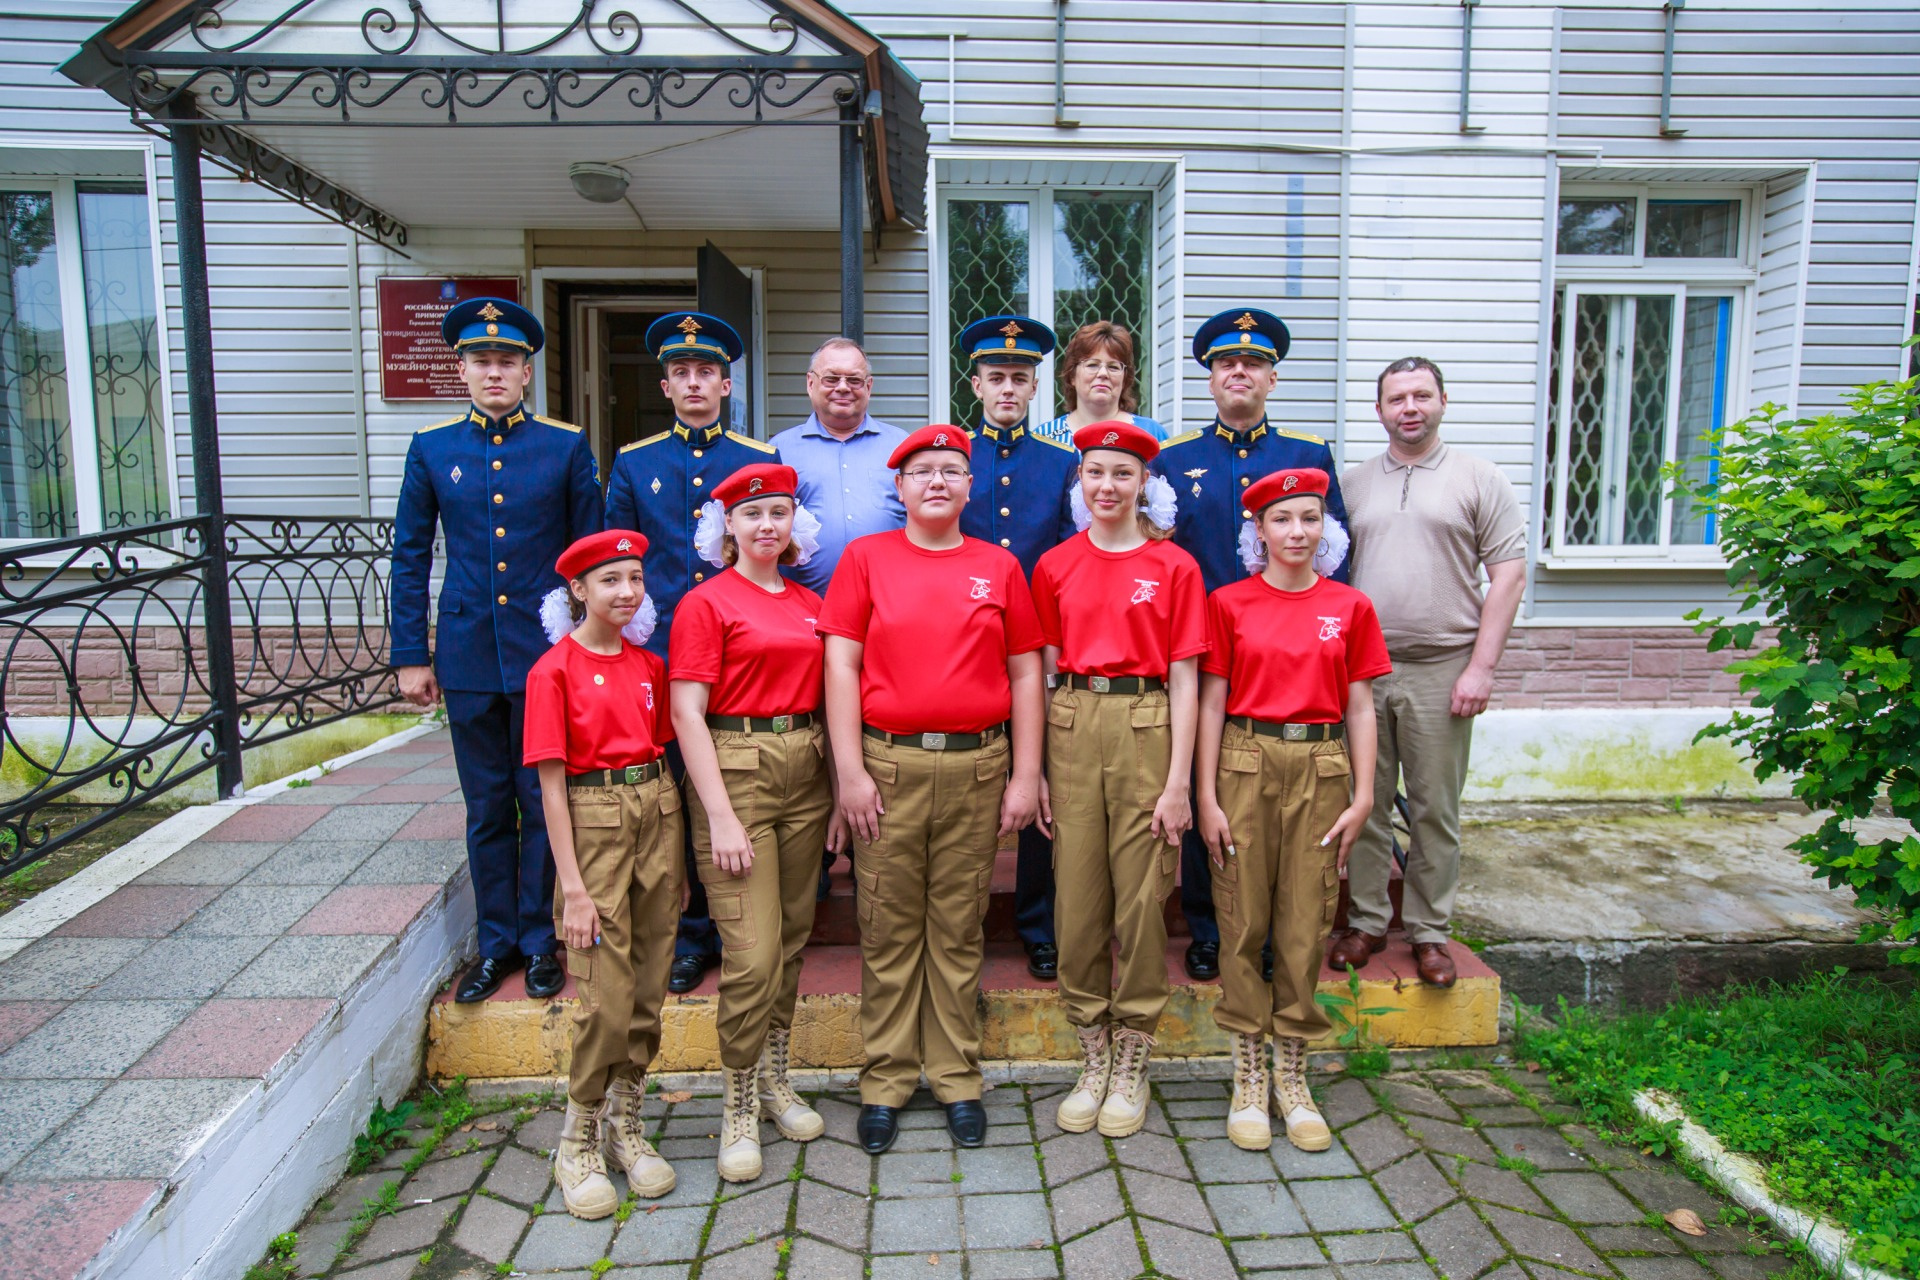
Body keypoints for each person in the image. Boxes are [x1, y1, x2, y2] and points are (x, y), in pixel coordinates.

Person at [818, 425, 1045, 1155]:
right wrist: (849, 772)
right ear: (901, 487)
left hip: (977, 768)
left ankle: (955, 1076)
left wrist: (1026, 773)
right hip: (888, 770)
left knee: (956, 927)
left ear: (970, 486)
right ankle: (885, 1080)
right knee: (887, 928)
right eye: (922, 472)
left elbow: (1025, 672)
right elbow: (841, 666)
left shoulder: (998, 566)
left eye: (951, 470)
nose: (937, 481)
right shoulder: (866, 559)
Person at [389, 296, 601, 1004]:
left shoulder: (564, 446)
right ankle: (496, 945)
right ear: (462, 370)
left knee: (541, 800)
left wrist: (590, 648)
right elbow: (409, 555)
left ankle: (540, 943)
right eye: (481, 361)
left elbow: (588, 557)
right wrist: (409, 653)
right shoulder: (433, 448)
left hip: (543, 651)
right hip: (469, 651)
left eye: (507, 361)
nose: (494, 372)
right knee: (486, 807)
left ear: (527, 372)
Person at [1196, 468, 1388, 1153]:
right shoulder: (1229, 603)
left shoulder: (1350, 607)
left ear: (1326, 527)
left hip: (1321, 764)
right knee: (1242, 917)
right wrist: (1204, 794)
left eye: (1309, 518)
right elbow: (1211, 703)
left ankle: (1292, 1072)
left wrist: (1364, 794)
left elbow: (1360, 706)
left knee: (1306, 919)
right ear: (1259, 530)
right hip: (1245, 761)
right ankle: (1249, 1070)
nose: (1296, 532)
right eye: (1281, 519)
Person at [1162, 307, 1351, 983]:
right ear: (1210, 378)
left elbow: (1336, 553)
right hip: (1203, 649)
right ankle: (1209, 927)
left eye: (1253, 363)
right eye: (1226, 363)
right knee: (1205, 780)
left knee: (1278, 800)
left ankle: (1272, 931)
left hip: (1288, 654)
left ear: (1272, 378)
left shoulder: (1307, 455)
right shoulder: (1175, 458)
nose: (1238, 372)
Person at [1029, 421, 1205, 1138]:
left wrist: (1179, 781)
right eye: (1096, 472)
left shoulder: (1175, 566)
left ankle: (1133, 1052)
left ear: (1143, 484)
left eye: (1122, 474)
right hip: (1073, 720)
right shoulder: (1055, 564)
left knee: (1140, 899)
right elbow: (1041, 671)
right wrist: (1038, 767)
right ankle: (1092, 1050)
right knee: (1077, 899)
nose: (1108, 486)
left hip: (1146, 722)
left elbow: (1187, 679)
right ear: (1081, 480)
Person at [1329, 357, 1525, 988]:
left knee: (1434, 807)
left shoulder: (1479, 479)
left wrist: (1481, 668)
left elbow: (1509, 574)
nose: (1409, 408)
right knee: (1364, 802)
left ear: (1443, 401)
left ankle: (1429, 931)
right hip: (1363, 671)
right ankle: (1366, 921)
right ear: (1378, 410)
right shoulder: (1352, 485)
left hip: (1443, 667)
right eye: (1396, 398)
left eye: (1421, 395)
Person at [604, 311, 780, 996]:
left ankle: (729, 922)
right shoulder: (635, 462)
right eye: (682, 372)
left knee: (728, 784)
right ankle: (685, 932)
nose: (695, 382)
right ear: (666, 385)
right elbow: (617, 562)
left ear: (726, 384)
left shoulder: (757, 459)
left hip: (739, 653)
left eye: (707, 371)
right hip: (657, 653)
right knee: (671, 791)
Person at [669, 463, 834, 1183]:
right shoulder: (706, 603)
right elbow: (686, 713)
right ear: (727, 526)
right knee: (752, 952)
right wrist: (720, 817)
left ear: (795, 522)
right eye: (752, 514)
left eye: (779, 512)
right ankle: (737, 1101)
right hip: (737, 774)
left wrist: (837, 795)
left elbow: (828, 697)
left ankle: (775, 1079)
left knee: (791, 940)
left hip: (806, 771)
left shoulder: (809, 602)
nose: (768, 525)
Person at [522, 529, 680, 1219]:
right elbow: (550, 789)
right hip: (592, 822)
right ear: (578, 590)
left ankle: (625, 1124)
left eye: (635, 578)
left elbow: (662, 752)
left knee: (647, 989)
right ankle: (576, 1139)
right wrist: (574, 890)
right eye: (610, 580)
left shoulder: (649, 665)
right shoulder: (553, 670)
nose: (626, 591)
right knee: (604, 999)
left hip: (656, 813)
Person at [955, 313, 1078, 982]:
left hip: (1036, 648)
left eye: (1019, 378)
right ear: (975, 385)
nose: (1007, 388)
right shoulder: (952, 458)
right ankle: (961, 921)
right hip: (963, 647)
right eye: (996, 377)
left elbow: (1068, 564)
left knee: (1039, 783)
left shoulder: (1062, 463)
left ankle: (1038, 923)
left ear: (1035, 389)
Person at [770, 338, 908, 594]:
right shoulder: (778, 451)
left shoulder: (902, 447)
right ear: (810, 383)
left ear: (869, 386)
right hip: (802, 605)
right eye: (831, 379)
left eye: (854, 380)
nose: (843, 388)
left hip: (889, 602)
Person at [1034, 321, 1168, 445]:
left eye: (1113, 367)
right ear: (1072, 375)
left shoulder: (1152, 434)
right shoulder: (1045, 438)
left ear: (1125, 379)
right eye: (1092, 365)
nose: (1103, 373)